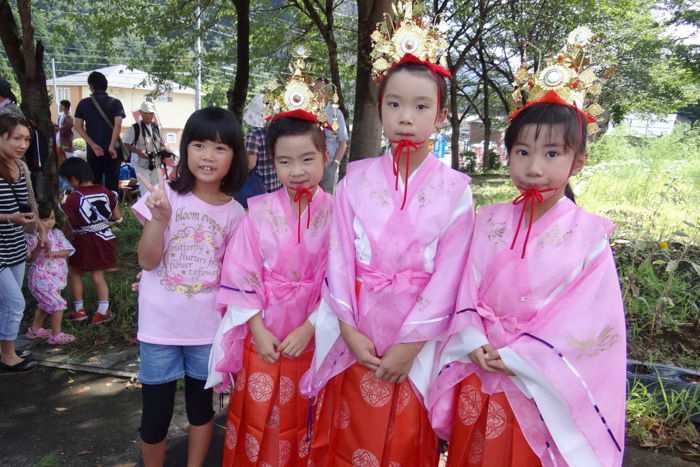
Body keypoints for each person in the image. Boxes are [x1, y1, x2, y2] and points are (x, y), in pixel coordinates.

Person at [428, 28, 627, 467]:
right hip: (479, 365)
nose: (535, 167)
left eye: (552, 154)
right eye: (523, 152)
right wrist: (472, 337)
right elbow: (462, 286)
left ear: (579, 160)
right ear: (508, 153)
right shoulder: (487, 219)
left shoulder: (590, 236)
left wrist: (520, 355)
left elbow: (590, 322)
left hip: (537, 381)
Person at [301, 9, 474, 467]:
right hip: (357, 332)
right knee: (347, 433)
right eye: (394, 103)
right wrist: (349, 330)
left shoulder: (457, 192)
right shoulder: (355, 180)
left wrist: (409, 346)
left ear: (441, 114)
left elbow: (450, 278)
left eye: (421, 106)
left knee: (403, 441)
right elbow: (339, 259)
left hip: (417, 344)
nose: (405, 117)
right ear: (379, 106)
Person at [206, 62, 333, 467]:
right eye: (284, 162)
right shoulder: (256, 211)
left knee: (306, 417)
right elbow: (241, 273)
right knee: (259, 418)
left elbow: (341, 280)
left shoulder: (338, 214)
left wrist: (311, 325)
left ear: (326, 156)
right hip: (263, 336)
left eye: (307, 159)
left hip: (313, 335)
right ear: (270, 162)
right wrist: (257, 330)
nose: (296, 172)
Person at [132, 107, 247, 467]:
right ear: (185, 149)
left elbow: (236, 278)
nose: (208, 156)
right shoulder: (164, 195)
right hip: (159, 328)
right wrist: (160, 219)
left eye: (219, 148)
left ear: (234, 156)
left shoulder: (236, 214)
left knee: (201, 412)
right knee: (154, 417)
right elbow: (148, 261)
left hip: (205, 331)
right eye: (199, 145)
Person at [0, 113, 41, 373]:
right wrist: (9, 217)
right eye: (16, 138)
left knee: (7, 302)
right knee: (15, 302)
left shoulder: (21, 167)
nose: (22, 144)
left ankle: (7, 348)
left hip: (15, 244)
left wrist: (39, 229)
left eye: (26, 139)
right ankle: (8, 356)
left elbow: (31, 203)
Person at [59, 157, 121, 326]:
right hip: (104, 238)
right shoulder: (106, 191)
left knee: (75, 272)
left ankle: (79, 310)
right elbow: (117, 216)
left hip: (81, 240)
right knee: (98, 275)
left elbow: (68, 223)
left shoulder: (73, 198)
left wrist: (63, 237)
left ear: (73, 178)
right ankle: (102, 311)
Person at [24, 201, 76, 345]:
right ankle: (56, 335)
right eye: (45, 219)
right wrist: (39, 248)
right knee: (57, 304)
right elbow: (29, 258)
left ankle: (35, 330)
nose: (49, 223)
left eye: (52, 218)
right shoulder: (32, 236)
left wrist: (54, 253)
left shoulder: (57, 234)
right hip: (40, 277)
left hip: (56, 277)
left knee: (44, 305)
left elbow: (68, 251)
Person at [74, 71, 126, 192]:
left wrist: (92, 145)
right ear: (106, 85)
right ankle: (113, 209)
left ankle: (97, 208)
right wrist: (111, 146)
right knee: (112, 186)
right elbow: (118, 125)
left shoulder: (83, 103)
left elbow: (77, 126)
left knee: (94, 183)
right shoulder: (116, 103)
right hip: (113, 152)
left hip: (94, 151)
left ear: (91, 86)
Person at [124, 101, 168, 196]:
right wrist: (138, 152)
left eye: (151, 113)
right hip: (140, 163)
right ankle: (144, 209)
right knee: (146, 190)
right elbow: (126, 143)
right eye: (146, 113)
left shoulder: (156, 127)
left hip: (155, 162)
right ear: (141, 113)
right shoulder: (134, 128)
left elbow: (162, 143)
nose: (148, 116)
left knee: (156, 188)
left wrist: (164, 152)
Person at [316, 79, 349, 194]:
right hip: (309, 164)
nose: (318, 92)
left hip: (328, 165)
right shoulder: (308, 111)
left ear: (328, 92)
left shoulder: (336, 114)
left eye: (321, 89)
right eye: (315, 89)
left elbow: (343, 142)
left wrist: (335, 164)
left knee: (327, 200)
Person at [244, 95, 282, 193]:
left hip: (260, 188)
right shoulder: (278, 134)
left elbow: (250, 165)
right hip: (277, 185)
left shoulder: (253, 136)